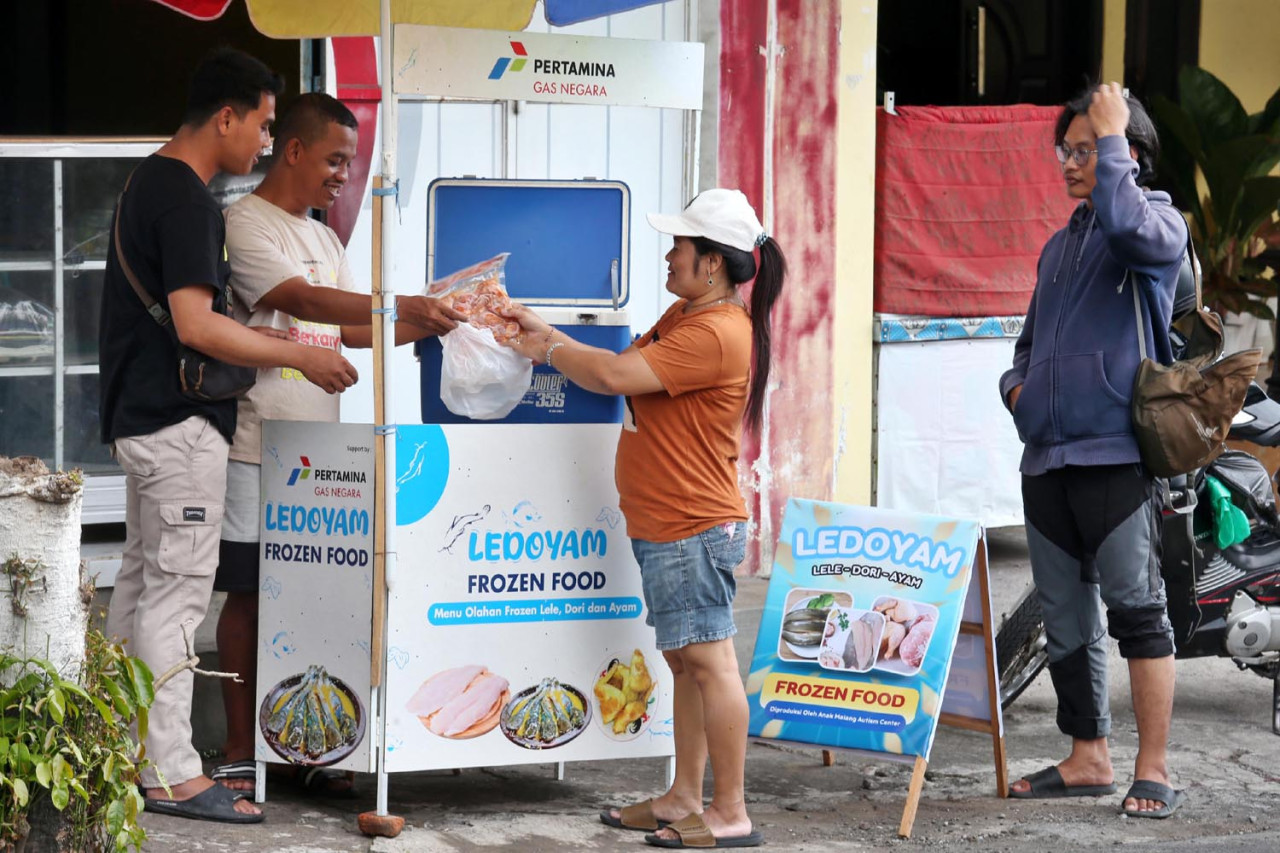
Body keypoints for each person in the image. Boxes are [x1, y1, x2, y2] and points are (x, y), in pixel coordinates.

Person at [100, 49, 359, 824]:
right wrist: (300, 354)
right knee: (177, 599)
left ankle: (120, 748)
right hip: (179, 427)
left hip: (141, 420)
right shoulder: (186, 199)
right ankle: (175, 772)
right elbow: (196, 323)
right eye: (263, 124)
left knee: (144, 590)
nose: (264, 141)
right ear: (226, 116)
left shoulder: (148, 181)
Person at [501, 188, 784, 849]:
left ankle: (730, 810)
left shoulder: (715, 332)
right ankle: (685, 795)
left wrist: (546, 349)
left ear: (712, 263)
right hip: (669, 522)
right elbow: (615, 364)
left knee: (711, 662)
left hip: (690, 524)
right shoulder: (690, 313)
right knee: (686, 662)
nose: (668, 255)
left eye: (679, 247)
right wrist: (543, 331)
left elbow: (614, 375)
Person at [208, 93, 467, 798]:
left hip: (320, 456)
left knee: (311, 596)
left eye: (349, 164)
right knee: (252, 591)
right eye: (334, 160)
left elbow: (355, 329)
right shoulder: (244, 224)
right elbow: (311, 303)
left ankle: (303, 746)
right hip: (257, 444)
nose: (342, 177)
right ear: (292, 150)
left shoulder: (324, 236)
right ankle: (238, 744)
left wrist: (435, 319)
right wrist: (401, 303)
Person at [999, 82, 1187, 818]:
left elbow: (1135, 228)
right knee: (1065, 616)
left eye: (1088, 148)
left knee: (1138, 613)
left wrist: (1115, 144)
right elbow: (1026, 347)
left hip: (1115, 457)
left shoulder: (1156, 224)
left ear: (1125, 154)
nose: (1070, 162)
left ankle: (1155, 766)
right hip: (1047, 459)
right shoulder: (1059, 247)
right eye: (1067, 149)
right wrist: (1017, 391)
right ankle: (1087, 755)